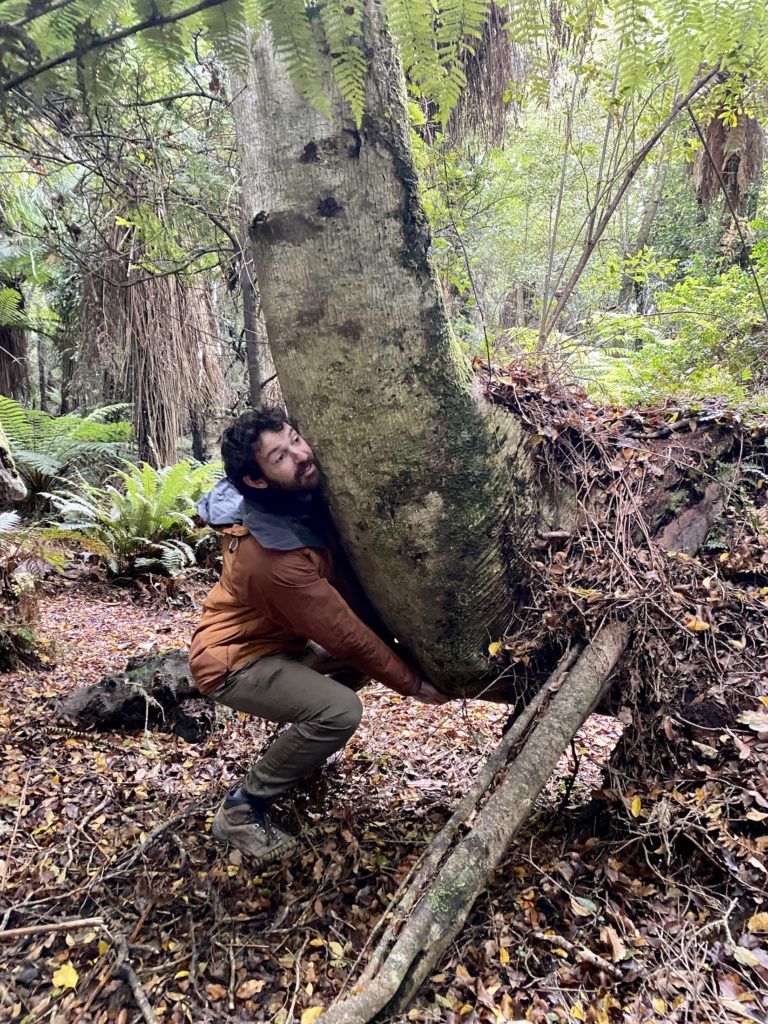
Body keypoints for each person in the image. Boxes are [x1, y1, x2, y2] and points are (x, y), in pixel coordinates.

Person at [190, 407, 447, 865]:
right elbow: (346, 634)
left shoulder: (292, 503)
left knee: (350, 673)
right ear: (257, 481)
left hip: (275, 645)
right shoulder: (275, 559)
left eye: (294, 439)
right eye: (280, 456)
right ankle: (243, 809)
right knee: (339, 710)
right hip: (231, 663)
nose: (301, 454)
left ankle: (295, 758)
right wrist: (413, 685)